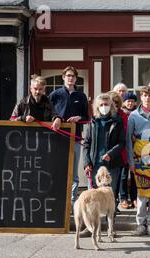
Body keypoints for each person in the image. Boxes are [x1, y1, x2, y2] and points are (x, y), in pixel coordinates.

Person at [81, 93, 125, 236]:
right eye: (101, 105)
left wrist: (111, 153)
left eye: (107, 104)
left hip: (112, 165)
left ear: (111, 105)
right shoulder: (92, 122)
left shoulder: (117, 121)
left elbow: (121, 143)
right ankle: (91, 228)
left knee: (110, 198)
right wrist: (87, 162)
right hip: (95, 165)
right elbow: (86, 144)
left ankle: (111, 229)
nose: (104, 107)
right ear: (96, 107)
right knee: (93, 199)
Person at [126, 86, 150, 237]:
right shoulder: (133, 116)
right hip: (139, 155)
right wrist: (131, 161)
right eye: (144, 95)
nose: (147, 98)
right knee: (142, 192)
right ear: (140, 97)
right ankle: (140, 224)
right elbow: (129, 140)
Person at [49, 66, 89, 208]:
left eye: (73, 76)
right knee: (58, 169)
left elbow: (87, 117)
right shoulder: (55, 94)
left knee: (73, 174)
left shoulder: (81, 96)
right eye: (68, 75)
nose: (70, 78)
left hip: (75, 138)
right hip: (57, 138)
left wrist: (79, 117)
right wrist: (57, 118)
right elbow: (48, 113)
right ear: (63, 77)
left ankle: (71, 203)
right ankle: (57, 201)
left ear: (76, 78)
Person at [119, 92, 138, 209]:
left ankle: (135, 198)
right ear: (124, 102)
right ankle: (124, 198)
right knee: (123, 175)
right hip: (124, 148)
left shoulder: (137, 114)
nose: (130, 103)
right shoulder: (121, 114)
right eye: (128, 101)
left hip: (136, 147)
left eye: (132, 101)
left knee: (135, 174)